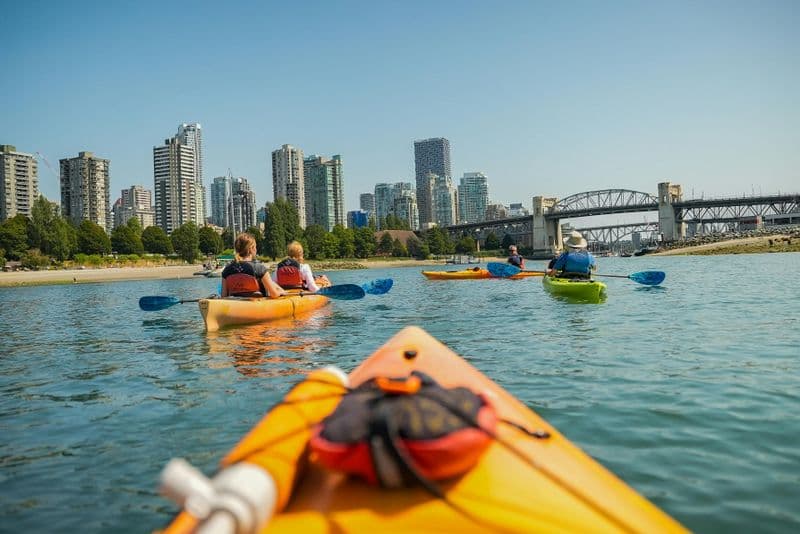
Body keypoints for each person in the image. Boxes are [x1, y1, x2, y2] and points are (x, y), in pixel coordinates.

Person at [221, 233, 286, 298]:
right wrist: (281, 292)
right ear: (251, 249)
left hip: (235, 303)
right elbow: (274, 294)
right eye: (255, 247)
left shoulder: (227, 269)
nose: (256, 249)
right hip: (257, 303)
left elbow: (223, 296)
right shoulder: (259, 268)